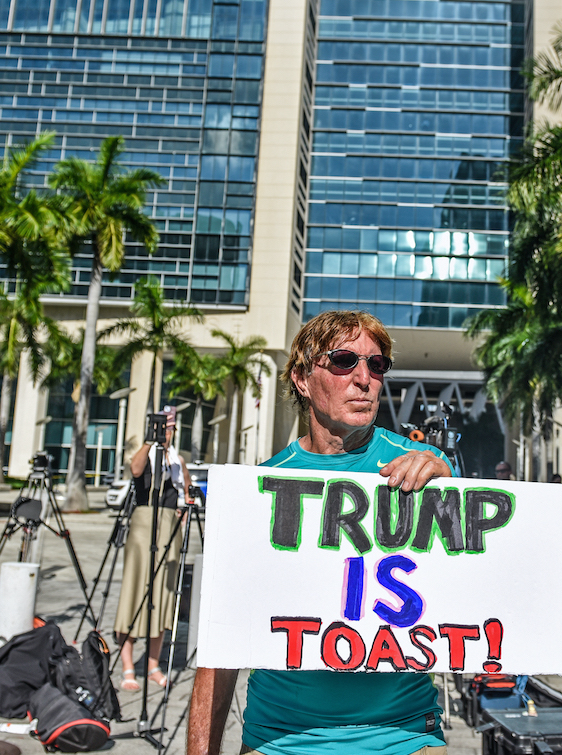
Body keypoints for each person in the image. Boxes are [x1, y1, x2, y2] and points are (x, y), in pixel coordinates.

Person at [187, 310, 454, 755]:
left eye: (377, 364)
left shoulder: (421, 464)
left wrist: (447, 473)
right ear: (302, 379)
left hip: (405, 736)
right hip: (282, 739)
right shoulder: (262, 487)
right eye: (344, 361)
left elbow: (486, 549)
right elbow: (220, 648)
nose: (364, 378)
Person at [115, 405, 188, 692]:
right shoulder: (146, 455)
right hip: (144, 522)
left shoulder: (175, 460)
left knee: (163, 593)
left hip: (169, 524)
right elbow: (135, 470)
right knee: (135, 590)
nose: (165, 433)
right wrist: (149, 440)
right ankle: (128, 665)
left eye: (169, 428)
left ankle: (153, 663)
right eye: (162, 428)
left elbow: (185, 493)